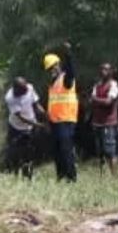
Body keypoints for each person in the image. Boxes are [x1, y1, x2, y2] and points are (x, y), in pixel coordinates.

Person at [43, 44, 78, 182]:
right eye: (49, 69)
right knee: (57, 150)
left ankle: (71, 177)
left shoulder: (66, 79)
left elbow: (71, 72)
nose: (52, 70)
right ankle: (61, 176)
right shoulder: (53, 83)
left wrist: (68, 54)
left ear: (59, 65)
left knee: (66, 150)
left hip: (66, 120)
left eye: (54, 66)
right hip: (55, 121)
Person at [4, 76, 44, 179]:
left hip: (30, 125)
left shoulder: (29, 88)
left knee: (29, 151)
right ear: (16, 90)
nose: (26, 91)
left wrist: (44, 114)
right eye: (23, 90)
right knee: (14, 151)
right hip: (15, 127)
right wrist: (38, 125)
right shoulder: (10, 98)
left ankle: (28, 175)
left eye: (26, 88)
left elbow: (36, 104)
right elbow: (21, 117)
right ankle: (12, 172)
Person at [90, 62, 118, 177]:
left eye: (106, 70)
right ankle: (102, 174)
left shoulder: (113, 85)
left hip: (109, 122)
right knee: (100, 151)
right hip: (97, 122)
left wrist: (95, 100)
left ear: (111, 71)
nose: (103, 72)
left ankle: (114, 175)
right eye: (102, 70)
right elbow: (91, 101)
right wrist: (97, 100)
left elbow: (108, 102)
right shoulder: (97, 85)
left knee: (110, 150)